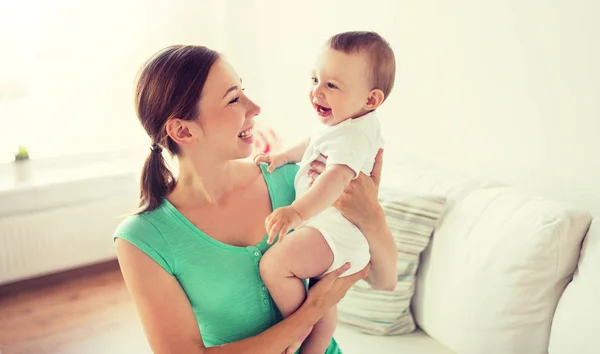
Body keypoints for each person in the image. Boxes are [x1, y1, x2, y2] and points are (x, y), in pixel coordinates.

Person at [113, 44, 398, 354]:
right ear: (183, 131)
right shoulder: (142, 239)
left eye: (243, 90)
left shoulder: (295, 181)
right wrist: (313, 309)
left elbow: (384, 280)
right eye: (234, 98)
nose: (255, 108)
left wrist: (371, 216)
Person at [254, 31, 396, 353]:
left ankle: (299, 326)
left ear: (371, 99)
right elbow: (312, 143)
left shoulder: (353, 139)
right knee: (324, 294)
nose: (317, 91)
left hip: (336, 231)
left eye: (331, 85)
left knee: (274, 266)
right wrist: (283, 156)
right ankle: (314, 346)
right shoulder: (346, 124)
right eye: (315, 79)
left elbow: (335, 180)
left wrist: (297, 212)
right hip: (335, 233)